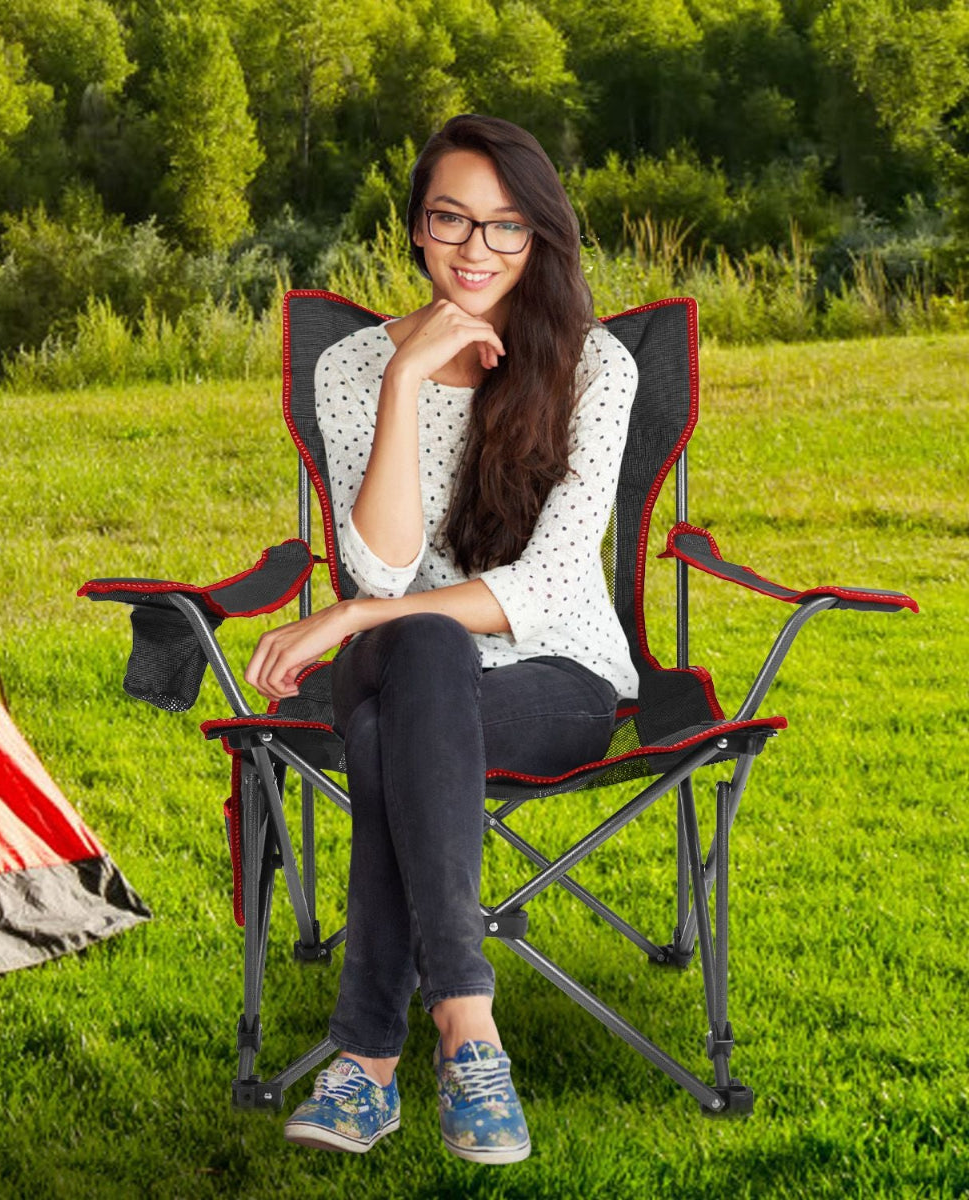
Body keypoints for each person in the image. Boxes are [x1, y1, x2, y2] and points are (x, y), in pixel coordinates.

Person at [244, 114, 639, 1164]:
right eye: (452, 219)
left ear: (540, 239)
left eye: (507, 227)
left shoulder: (594, 368)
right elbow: (380, 566)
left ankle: (367, 1065)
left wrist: (358, 617)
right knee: (422, 651)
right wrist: (404, 382)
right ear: (416, 230)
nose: (477, 249)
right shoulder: (354, 369)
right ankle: (468, 1026)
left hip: (553, 676)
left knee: (395, 718)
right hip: (408, 664)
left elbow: (550, 582)